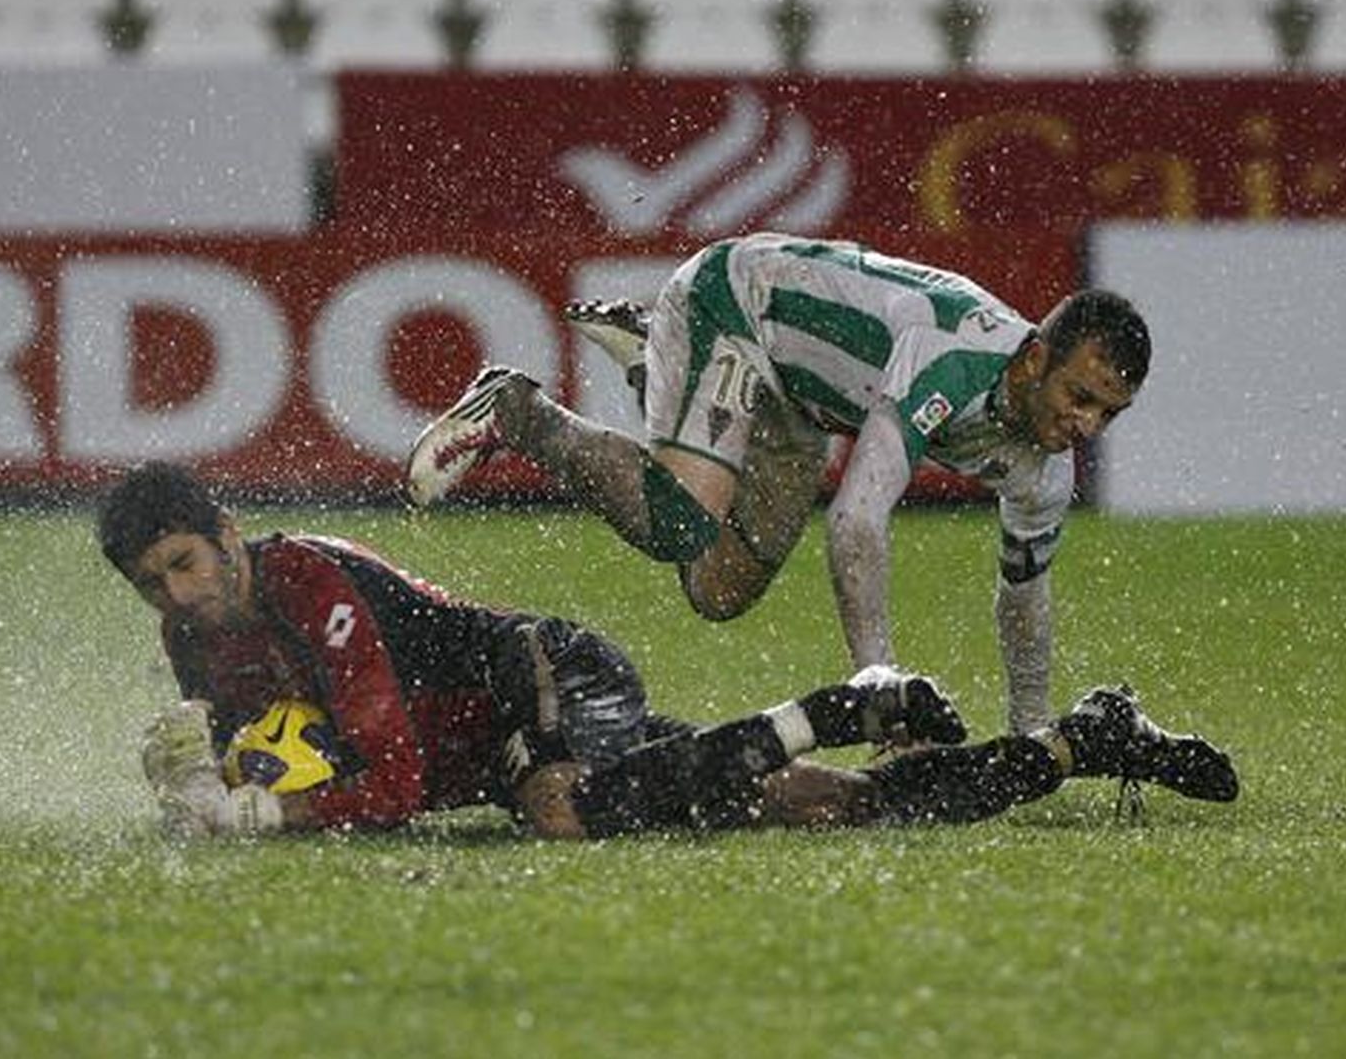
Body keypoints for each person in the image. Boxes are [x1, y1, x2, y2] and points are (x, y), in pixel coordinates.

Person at [101, 461, 1236, 839]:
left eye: (189, 563)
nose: (182, 595)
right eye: (158, 583)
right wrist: (201, 780)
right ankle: (1081, 741)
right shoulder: (190, 644)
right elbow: (274, 751)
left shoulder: (310, 584)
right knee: (830, 808)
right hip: (492, 755)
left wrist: (259, 813)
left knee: (562, 807)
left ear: (229, 535)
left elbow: (386, 782)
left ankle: (829, 707)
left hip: (542, 679)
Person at [408, 232, 1152, 736]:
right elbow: (857, 518)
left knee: (718, 589)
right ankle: (516, 407)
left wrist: (1030, 730)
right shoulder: (953, 358)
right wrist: (876, 680)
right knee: (679, 525)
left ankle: (649, 365)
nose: (1087, 425)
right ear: (1033, 361)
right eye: (1079, 397)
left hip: (805, 397)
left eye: (1109, 413)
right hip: (742, 303)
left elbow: (1024, 596)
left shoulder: (1045, 467)